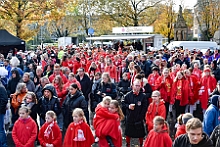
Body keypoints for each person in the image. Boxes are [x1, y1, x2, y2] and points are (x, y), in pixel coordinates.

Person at [122, 80, 148, 147]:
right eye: (136, 85)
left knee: (141, 134)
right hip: (130, 118)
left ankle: (141, 145)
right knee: (128, 133)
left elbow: (145, 107)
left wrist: (141, 116)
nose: (137, 87)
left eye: (139, 86)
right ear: (133, 86)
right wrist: (128, 106)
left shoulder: (143, 96)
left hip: (139, 118)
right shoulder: (127, 95)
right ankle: (127, 145)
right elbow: (123, 104)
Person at [0, 82, 8, 147]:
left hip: (0, 112)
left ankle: (3, 144)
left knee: (1, 129)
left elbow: (4, 100)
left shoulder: (1, 88)